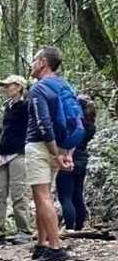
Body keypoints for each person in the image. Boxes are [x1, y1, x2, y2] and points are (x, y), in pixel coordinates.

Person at [26, 46, 74, 261]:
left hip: (40, 146)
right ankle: (42, 244)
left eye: (34, 60)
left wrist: (55, 153)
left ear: (43, 62)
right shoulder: (65, 86)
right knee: (42, 196)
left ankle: (55, 248)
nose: (31, 64)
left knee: (43, 196)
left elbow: (43, 123)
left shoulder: (38, 89)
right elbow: (78, 122)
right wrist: (67, 152)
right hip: (60, 148)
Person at [0, 75, 34, 245]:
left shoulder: (27, 105)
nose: (5, 88)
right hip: (3, 154)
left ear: (19, 87)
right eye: (4, 85)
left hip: (19, 154)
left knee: (18, 193)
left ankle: (25, 231)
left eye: (8, 85)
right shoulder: (8, 106)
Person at [56, 94, 97, 231]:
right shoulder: (91, 125)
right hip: (82, 160)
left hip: (69, 158)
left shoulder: (75, 124)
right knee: (77, 193)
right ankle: (79, 225)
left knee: (65, 196)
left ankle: (69, 227)